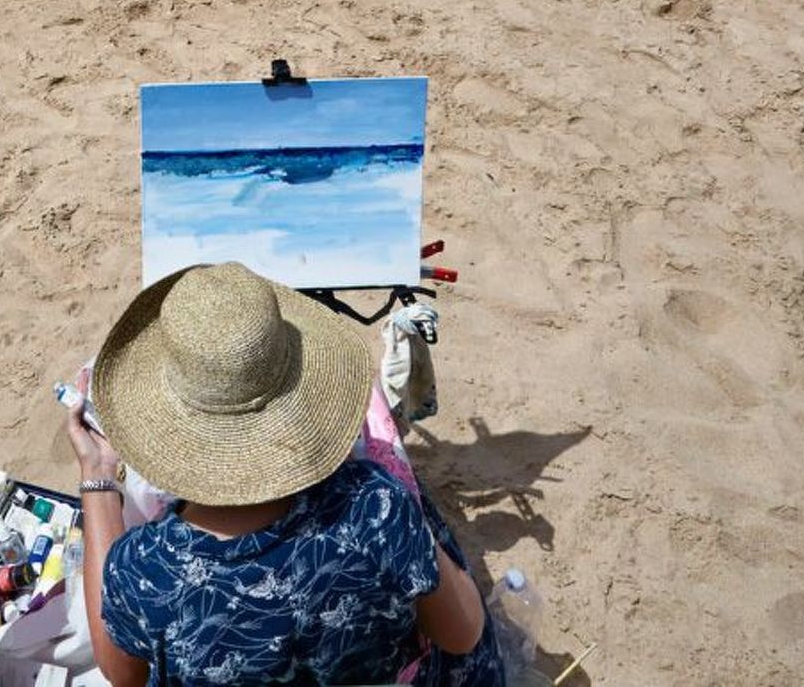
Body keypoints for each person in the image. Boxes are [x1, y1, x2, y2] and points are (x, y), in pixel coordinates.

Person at [65, 261, 505, 687]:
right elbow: (462, 633)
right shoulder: (376, 506)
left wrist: (99, 476)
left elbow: (122, 674)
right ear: (301, 388)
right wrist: (413, 527)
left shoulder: (145, 568)